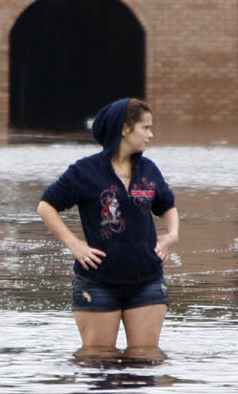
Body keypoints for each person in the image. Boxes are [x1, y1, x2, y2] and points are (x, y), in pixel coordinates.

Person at [37, 97, 179, 360]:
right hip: (97, 282)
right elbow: (46, 206)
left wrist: (172, 235)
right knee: (97, 361)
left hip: (147, 280)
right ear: (125, 129)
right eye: (145, 127)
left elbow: (167, 205)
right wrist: (75, 245)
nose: (151, 134)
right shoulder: (85, 171)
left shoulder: (148, 170)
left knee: (146, 359)